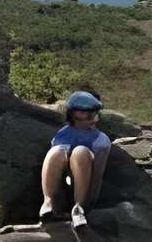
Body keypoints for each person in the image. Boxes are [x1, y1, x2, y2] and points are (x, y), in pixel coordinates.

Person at [41, 90, 112, 224]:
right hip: (62, 191)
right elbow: (59, 157)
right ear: (73, 114)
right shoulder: (63, 134)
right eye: (85, 112)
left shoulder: (100, 139)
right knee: (56, 151)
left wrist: (87, 201)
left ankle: (79, 208)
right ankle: (49, 203)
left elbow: (96, 175)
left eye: (94, 113)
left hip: (85, 192)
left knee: (81, 152)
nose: (92, 117)